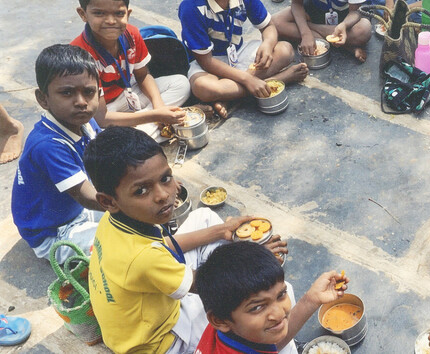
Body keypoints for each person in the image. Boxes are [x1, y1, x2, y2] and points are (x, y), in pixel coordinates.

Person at [83, 127, 288, 353]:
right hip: (163, 340)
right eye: (141, 190)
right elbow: (211, 288)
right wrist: (256, 261)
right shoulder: (143, 258)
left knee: (205, 217)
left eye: (165, 178)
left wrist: (221, 232)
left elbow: (164, 246)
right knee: (275, 297)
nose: (162, 195)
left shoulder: (114, 221)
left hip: (143, 316)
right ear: (108, 201)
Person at [179, 0, 307, 119]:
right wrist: (247, 78)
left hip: (240, 54)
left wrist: (267, 43)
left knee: (285, 49)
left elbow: (268, 27)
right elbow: (206, 61)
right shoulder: (190, 8)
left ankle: (232, 95)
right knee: (203, 88)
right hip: (211, 63)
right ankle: (278, 79)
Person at [71, 0, 191, 140]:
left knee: (181, 84)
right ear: (83, 14)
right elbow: (102, 118)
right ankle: (149, 130)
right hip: (102, 110)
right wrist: (156, 116)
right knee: (97, 134)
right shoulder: (80, 56)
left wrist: (158, 107)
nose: (110, 21)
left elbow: (143, 76)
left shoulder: (131, 35)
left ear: (128, 13)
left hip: (128, 93)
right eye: (99, 13)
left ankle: (142, 131)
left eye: (119, 13)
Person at [11, 45, 104, 264]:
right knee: (123, 244)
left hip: (76, 211)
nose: (81, 101)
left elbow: (107, 155)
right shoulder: (47, 145)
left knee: (134, 221)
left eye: (89, 92)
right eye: (67, 92)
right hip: (53, 233)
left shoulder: (84, 120)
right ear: (43, 99)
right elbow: (88, 197)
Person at [194, 242, 348, 354]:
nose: (278, 313)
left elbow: (272, 343)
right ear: (219, 320)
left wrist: (311, 300)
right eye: (257, 307)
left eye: (281, 294)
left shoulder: (230, 326)